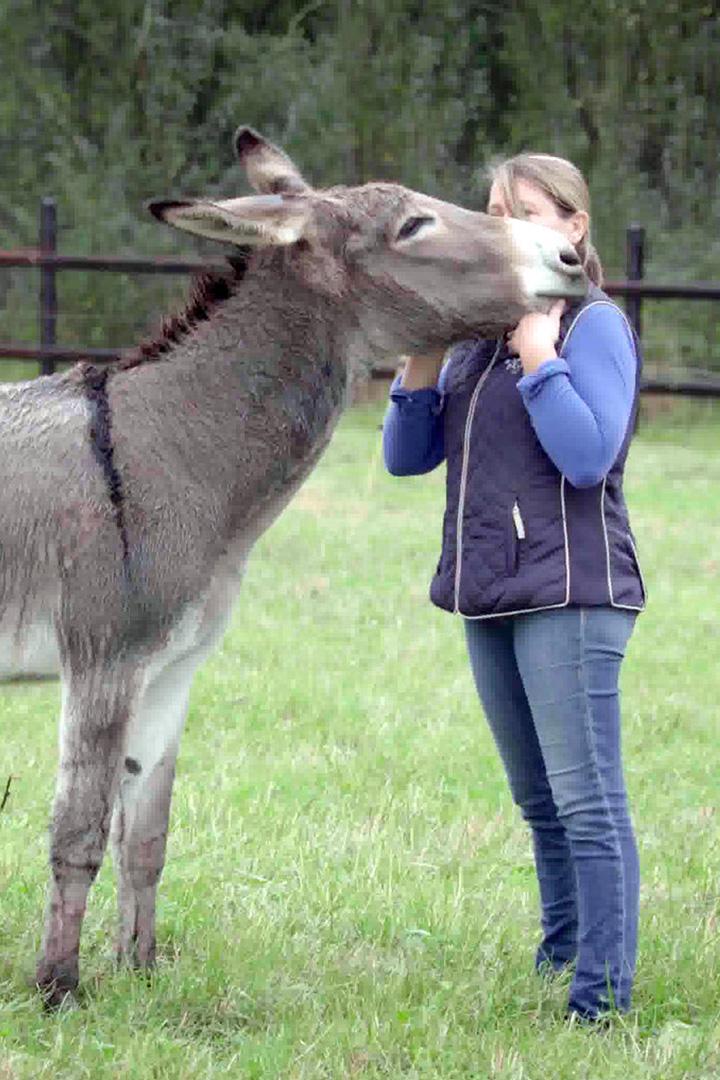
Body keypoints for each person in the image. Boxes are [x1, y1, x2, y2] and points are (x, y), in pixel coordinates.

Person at [382, 152, 645, 1022]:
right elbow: (405, 459)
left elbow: (587, 456)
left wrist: (541, 358)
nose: (501, 223)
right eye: (491, 209)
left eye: (523, 209)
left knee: (587, 800)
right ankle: (560, 951)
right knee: (539, 801)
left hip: (573, 595)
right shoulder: (472, 337)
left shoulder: (593, 327)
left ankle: (600, 1000)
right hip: (488, 590)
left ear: (573, 228)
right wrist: (422, 357)